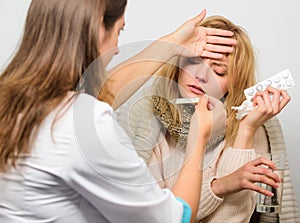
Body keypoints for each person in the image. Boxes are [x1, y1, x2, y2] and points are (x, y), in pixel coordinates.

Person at [0, 1, 239, 222]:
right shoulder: (83, 123)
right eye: (119, 31)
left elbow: (100, 94)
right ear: (98, 29)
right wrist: (199, 137)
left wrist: (172, 44)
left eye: (218, 71)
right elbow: (175, 217)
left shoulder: (10, 99)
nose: (116, 49)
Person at [113, 16, 300, 222]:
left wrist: (246, 131)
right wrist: (220, 186)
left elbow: (246, 217)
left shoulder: (256, 124)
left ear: (234, 85)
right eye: (194, 61)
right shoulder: (143, 117)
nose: (201, 76)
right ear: (177, 66)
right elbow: (156, 218)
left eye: (219, 71)